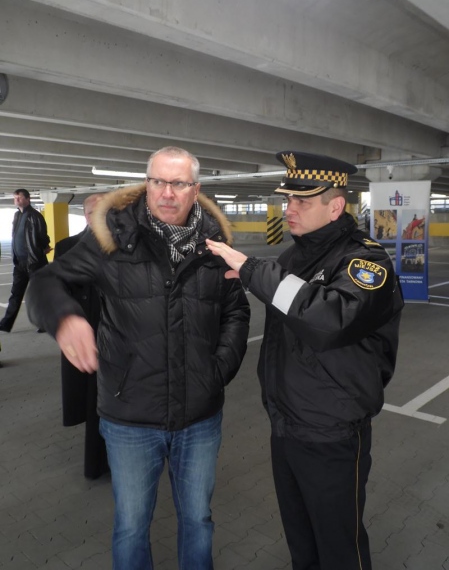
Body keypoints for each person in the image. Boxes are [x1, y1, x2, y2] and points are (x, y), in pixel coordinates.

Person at [27, 146, 250, 570]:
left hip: (199, 415)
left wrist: (218, 370)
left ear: (195, 189)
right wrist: (64, 317)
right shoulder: (112, 236)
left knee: (198, 521)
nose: (167, 193)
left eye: (178, 183)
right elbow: (45, 282)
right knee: (131, 526)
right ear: (147, 184)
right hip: (129, 416)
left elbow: (236, 311)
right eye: (158, 181)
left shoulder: (215, 245)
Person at [206, 151, 404, 570]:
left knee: (339, 548)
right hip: (286, 425)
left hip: (332, 432)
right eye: (287, 199)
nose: (289, 208)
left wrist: (255, 271)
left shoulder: (366, 261)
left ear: (335, 206)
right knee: (302, 541)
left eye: (302, 201)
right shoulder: (292, 259)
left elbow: (330, 319)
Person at [54, 193, 109, 480]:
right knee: (93, 401)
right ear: (86, 216)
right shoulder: (67, 247)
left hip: (120, 334)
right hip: (87, 334)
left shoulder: (125, 245)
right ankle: (96, 464)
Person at [0, 188, 51, 333]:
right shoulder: (17, 215)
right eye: (15, 197)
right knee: (15, 294)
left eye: (20, 197)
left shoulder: (35, 216)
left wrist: (43, 248)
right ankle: (5, 324)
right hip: (19, 263)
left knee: (39, 294)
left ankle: (44, 323)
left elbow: (43, 236)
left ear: (28, 199)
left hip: (34, 262)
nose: (16, 200)